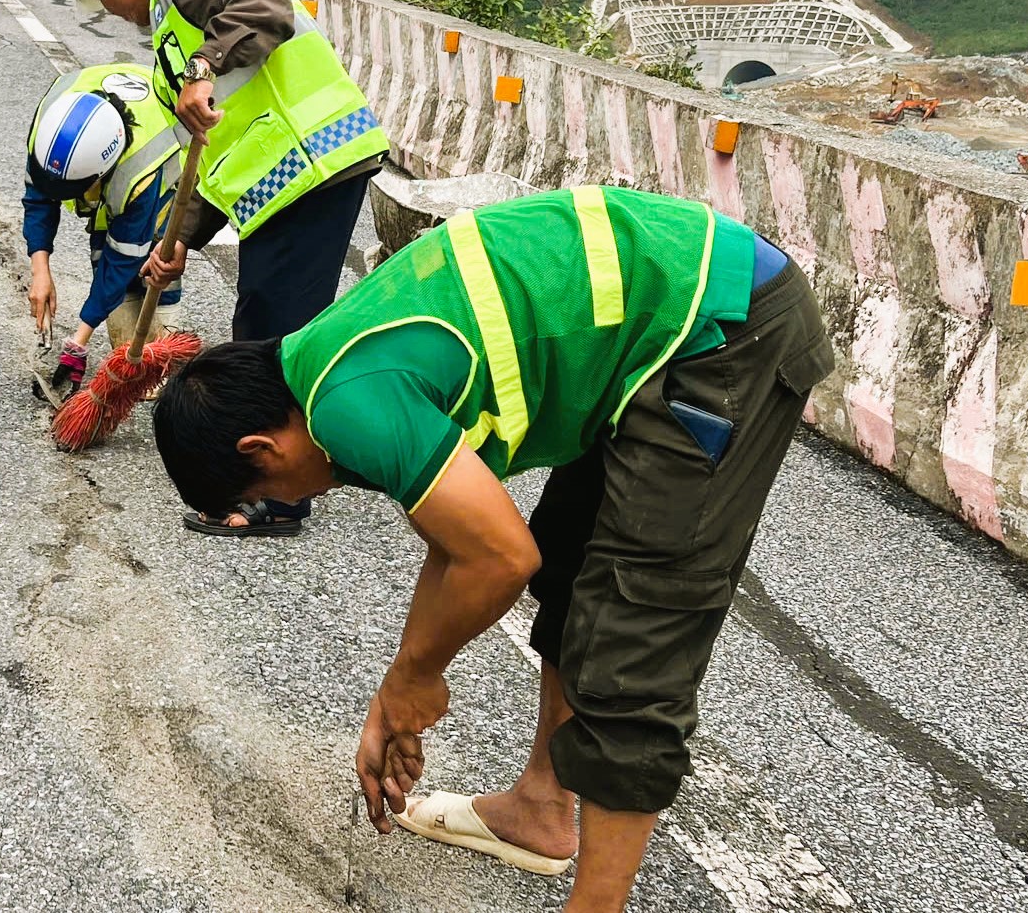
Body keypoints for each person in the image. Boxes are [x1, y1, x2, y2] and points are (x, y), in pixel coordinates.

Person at [149, 187, 832, 913]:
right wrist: (398, 691)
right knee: (572, 569)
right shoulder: (321, 364)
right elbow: (457, 541)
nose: (282, 497)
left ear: (261, 446)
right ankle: (540, 806)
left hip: (719, 330)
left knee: (636, 637)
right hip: (645, 342)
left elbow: (502, 558)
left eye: (265, 487)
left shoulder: (348, 403)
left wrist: (417, 675)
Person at [60, 0, 389, 538]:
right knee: (273, 327)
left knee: (268, 332)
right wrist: (181, 238)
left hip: (314, 161)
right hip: (286, 180)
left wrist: (204, 66)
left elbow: (266, 2)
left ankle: (277, 494)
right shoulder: (168, 37)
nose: (109, 9)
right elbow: (214, 150)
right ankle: (308, 459)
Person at [23, 63, 186, 401]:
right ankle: (129, 343)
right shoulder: (52, 127)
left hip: (172, 154)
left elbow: (122, 259)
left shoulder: (140, 173)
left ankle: (164, 346)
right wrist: (41, 271)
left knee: (156, 255)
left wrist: (78, 341)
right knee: (103, 253)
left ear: (100, 176)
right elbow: (39, 198)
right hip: (112, 117)